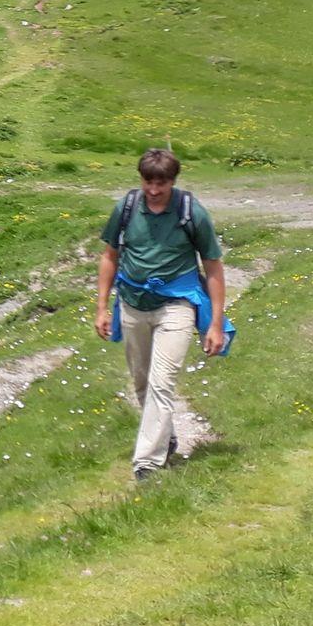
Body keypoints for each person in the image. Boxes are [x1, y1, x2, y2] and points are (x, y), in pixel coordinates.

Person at [93, 147, 230, 483]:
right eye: (148, 182)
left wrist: (214, 324)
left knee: (161, 382)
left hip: (176, 305)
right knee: (141, 382)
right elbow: (110, 256)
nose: (154, 190)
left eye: (162, 183)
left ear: (173, 181)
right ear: (141, 179)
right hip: (132, 304)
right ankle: (164, 438)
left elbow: (213, 267)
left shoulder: (191, 212)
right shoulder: (127, 207)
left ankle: (147, 464)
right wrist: (101, 307)